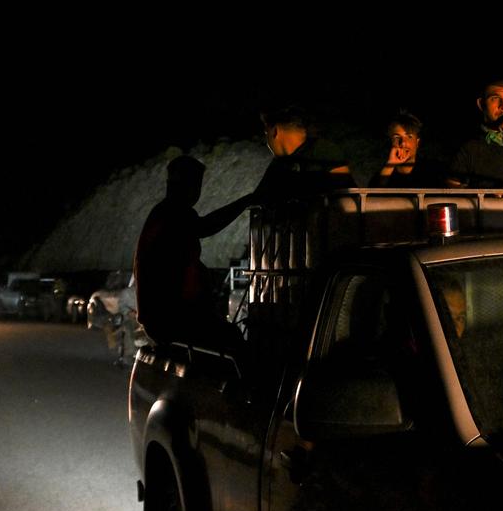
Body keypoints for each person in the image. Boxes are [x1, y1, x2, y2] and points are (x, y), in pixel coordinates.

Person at [134, 155, 255, 350]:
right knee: (235, 343)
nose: (196, 191)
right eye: (195, 184)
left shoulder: (161, 213)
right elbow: (206, 226)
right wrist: (246, 201)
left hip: (161, 318)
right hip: (171, 319)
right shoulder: (174, 213)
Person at [254, 104, 355, 203]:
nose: (267, 142)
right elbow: (257, 199)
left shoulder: (323, 151)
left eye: (266, 134)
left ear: (275, 132)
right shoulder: (279, 165)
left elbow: (346, 199)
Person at [369, 111, 441, 187]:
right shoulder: (384, 172)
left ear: (417, 142)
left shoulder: (433, 171)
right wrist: (390, 164)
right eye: (397, 137)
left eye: (409, 137)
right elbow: (372, 195)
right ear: (391, 141)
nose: (403, 143)